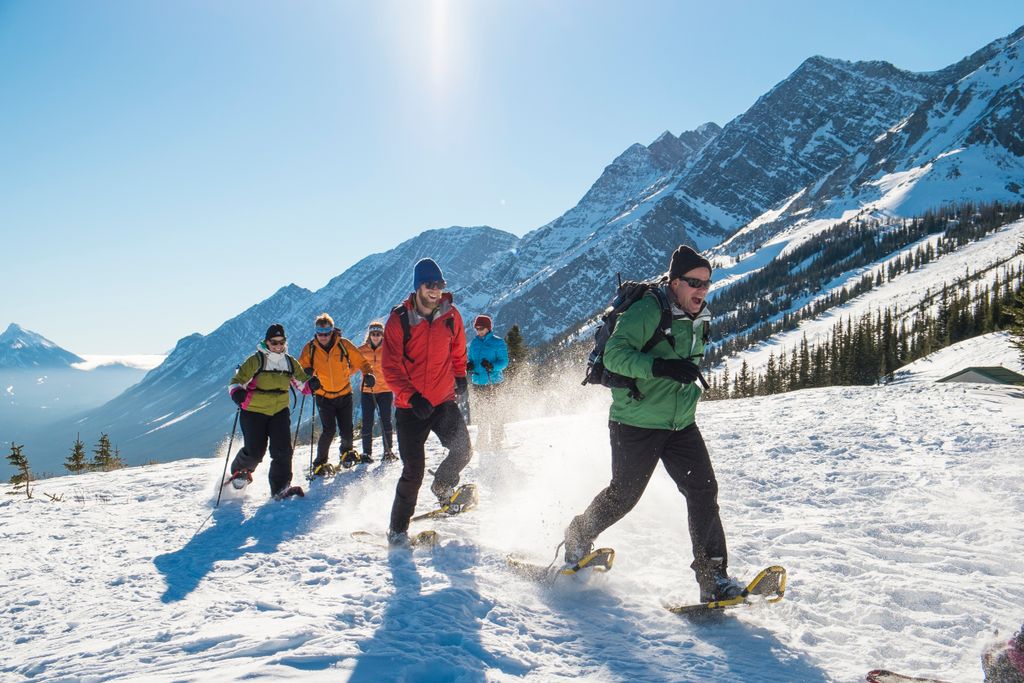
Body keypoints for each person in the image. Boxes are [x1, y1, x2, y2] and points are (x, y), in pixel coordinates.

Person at [561, 245, 744, 602]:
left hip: (681, 424)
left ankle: (714, 579)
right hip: (636, 421)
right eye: (694, 282)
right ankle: (578, 535)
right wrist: (659, 368)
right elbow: (615, 356)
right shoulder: (648, 309)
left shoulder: (699, 315)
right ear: (675, 282)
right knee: (624, 496)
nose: (702, 290)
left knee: (703, 491)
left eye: (707, 283)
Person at [381, 257, 472, 545]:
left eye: (440, 285)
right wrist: (411, 396)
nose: (435, 290)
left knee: (463, 451)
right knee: (413, 472)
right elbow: (390, 367)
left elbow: (458, 351)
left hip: (443, 400)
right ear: (418, 286)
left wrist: (459, 376)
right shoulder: (399, 320)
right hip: (411, 408)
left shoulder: (451, 315)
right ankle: (397, 531)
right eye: (429, 285)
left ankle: (443, 485)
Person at [227, 323, 319, 496]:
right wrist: (237, 393)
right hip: (254, 410)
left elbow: (302, 384)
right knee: (255, 451)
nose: (278, 346)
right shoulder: (257, 360)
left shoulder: (290, 362)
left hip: (279, 411)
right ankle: (241, 470)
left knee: (283, 450)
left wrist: (312, 385)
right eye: (274, 342)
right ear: (267, 342)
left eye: (281, 342)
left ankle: (281, 487)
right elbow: (236, 382)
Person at [298, 313, 375, 475]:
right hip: (323, 396)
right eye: (320, 333)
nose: (323, 337)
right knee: (329, 430)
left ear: (332, 331)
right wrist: (308, 377)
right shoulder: (310, 349)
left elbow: (361, 361)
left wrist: (368, 374)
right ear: (316, 332)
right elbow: (300, 369)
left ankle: (346, 453)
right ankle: (320, 462)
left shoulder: (344, 345)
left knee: (346, 428)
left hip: (344, 393)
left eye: (326, 333)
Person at [467, 314, 510, 449]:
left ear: (488, 328)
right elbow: (470, 359)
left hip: (494, 382)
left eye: (481, 328)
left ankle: (497, 439)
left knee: (494, 410)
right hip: (478, 382)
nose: (478, 331)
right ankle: (482, 438)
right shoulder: (474, 343)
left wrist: (492, 366)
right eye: (476, 328)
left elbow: (504, 362)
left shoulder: (498, 342)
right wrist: (470, 365)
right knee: (481, 411)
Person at [358, 321, 397, 462]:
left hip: (385, 390)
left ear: (382, 335)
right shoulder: (361, 350)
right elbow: (351, 367)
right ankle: (366, 453)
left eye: (378, 334)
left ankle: (388, 451)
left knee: (386, 420)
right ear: (369, 334)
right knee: (367, 421)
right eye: (373, 334)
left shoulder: (389, 349)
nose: (376, 336)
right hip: (367, 390)